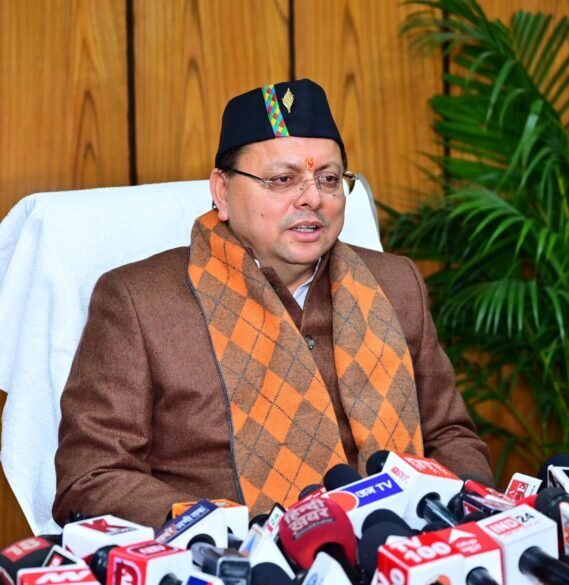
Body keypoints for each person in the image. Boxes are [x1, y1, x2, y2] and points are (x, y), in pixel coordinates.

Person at [53, 79, 492, 529]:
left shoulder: (395, 284)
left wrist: (451, 515)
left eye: (329, 179)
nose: (312, 198)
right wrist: (226, 530)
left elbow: (449, 435)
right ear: (222, 191)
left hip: (407, 543)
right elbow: (91, 477)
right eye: (282, 180)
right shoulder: (139, 301)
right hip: (235, 555)